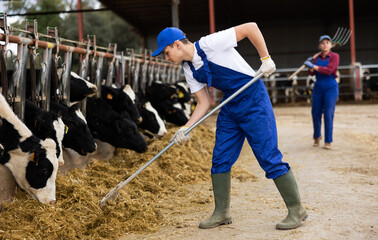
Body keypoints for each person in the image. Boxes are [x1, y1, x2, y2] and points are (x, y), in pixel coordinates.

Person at [152, 23, 307, 230]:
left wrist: (266, 59)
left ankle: (296, 209)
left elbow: (251, 28)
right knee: (220, 159)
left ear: (177, 44)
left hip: (253, 99)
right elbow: (204, 103)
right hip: (230, 106)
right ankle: (221, 213)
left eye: (166, 52)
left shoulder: (210, 43)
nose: (166, 58)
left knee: (268, 156)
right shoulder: (188, 69)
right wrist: (185, 128)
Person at [304, 35, 340, 149]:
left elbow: (329, 70)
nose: (325, 45)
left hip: (330, 87)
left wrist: (313, 66)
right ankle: (317, 137)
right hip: (318, 86)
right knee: (315, 113)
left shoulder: (334, 56)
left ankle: (328, 141)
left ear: (330, 45)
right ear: (319, 45)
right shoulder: (316, 57)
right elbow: (311, 73)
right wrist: (309, 65)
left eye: (327, 42)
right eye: (323, 43)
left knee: (328, 114)